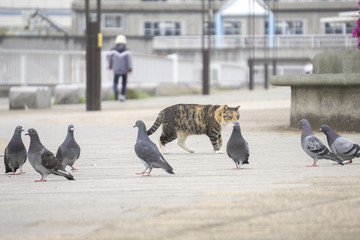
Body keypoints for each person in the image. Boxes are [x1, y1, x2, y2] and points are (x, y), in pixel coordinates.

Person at [108, 35, 132, 102]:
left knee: (115, 82)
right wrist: (130, 69)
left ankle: (115, 90)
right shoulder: (127, 51)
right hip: (124, 70)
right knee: (124, 83)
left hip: (116, 69)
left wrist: (110, 66)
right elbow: (129, 61)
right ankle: (122, 96)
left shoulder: (113, 50)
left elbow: (110, 59)